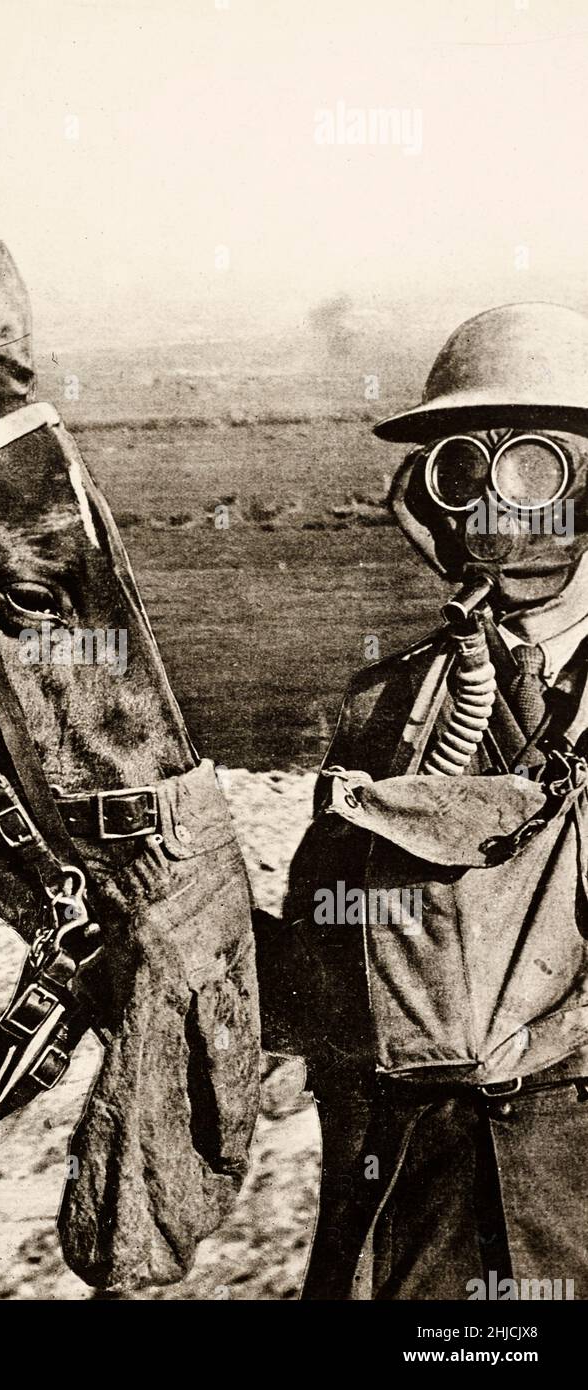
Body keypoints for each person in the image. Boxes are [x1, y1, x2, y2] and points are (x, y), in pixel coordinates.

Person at [258, 302, 588, 1300]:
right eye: (461, 468)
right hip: (406, 1205)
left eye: (538, 467)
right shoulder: (384, 710)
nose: (500, 504)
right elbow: (325, 958)